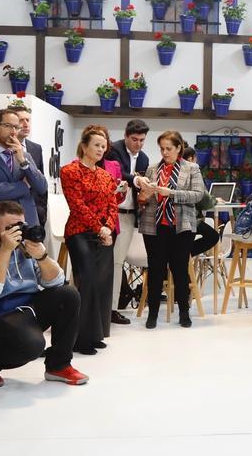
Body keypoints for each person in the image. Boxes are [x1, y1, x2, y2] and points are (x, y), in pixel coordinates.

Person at [0, 200, 87, 388]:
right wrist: (5, 250)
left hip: (25, 310)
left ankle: (58, 365)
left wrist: (41, 256)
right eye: (12, 227)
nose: (19, 232)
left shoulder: (23, 248)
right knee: (32, 344)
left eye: (22, 226)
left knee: (68, 295)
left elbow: (56, 282)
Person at [61, 125, 122, 356]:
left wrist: (107, 227)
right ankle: (80, 338)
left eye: (103, 146)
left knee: (102, 283)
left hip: (103, 233)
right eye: (96, 145)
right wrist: (99, 228)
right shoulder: (70, 171)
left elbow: (112, 204)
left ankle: (96, 334)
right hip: (79, 232)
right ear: (84, 146)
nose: (100, 149)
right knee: (86, 282)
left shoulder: (106, 175)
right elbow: (77, 205)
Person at [135, 130, 205, 329]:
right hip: (154, 226)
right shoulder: (152, 169)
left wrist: (171, 193)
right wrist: (145, 194)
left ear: (178, 148)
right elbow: (142, 199)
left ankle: (184, 312)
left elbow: (198, 195)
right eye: (162, 149)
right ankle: (153, 314)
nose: (164, 153)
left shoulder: (191, 168)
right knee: (155, 271)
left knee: (180, 270)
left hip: (181, 227)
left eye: (168, 149)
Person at [104, 119, 149, 325]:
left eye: (141, 140)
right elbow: (117, 173)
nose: (138, 144)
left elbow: (138, 186)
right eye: (134, 139)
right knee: (105, 262)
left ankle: (111, 308)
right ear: (126, 135)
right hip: (109, 212)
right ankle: (103, 307)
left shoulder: (144, 159)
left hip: (130, 214)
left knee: (117, 262)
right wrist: (136, 180)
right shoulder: (112, 150)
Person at [0, 108, 47, 228]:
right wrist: (25, 185)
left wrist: (23, 162)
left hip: (29, 225)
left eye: (16, 127)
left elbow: (42, 187)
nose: (13, 132)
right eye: (8, 126)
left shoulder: (25, 156)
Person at [12, 106, 47, 227]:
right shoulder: (2, 149)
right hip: (11, 211)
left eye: (28, 120)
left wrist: (42, 210)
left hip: (35, 212)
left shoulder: (35, 148)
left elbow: (41, 180)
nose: (26, 124)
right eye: (21, 120)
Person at [181, 146, 219, 258]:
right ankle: (183, 254)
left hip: (175, 220)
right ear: (191, 158)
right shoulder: (193, 171)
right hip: (189, 220)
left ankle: (181, 254)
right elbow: (204, 200)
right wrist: (215, 201)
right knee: (213, 237)